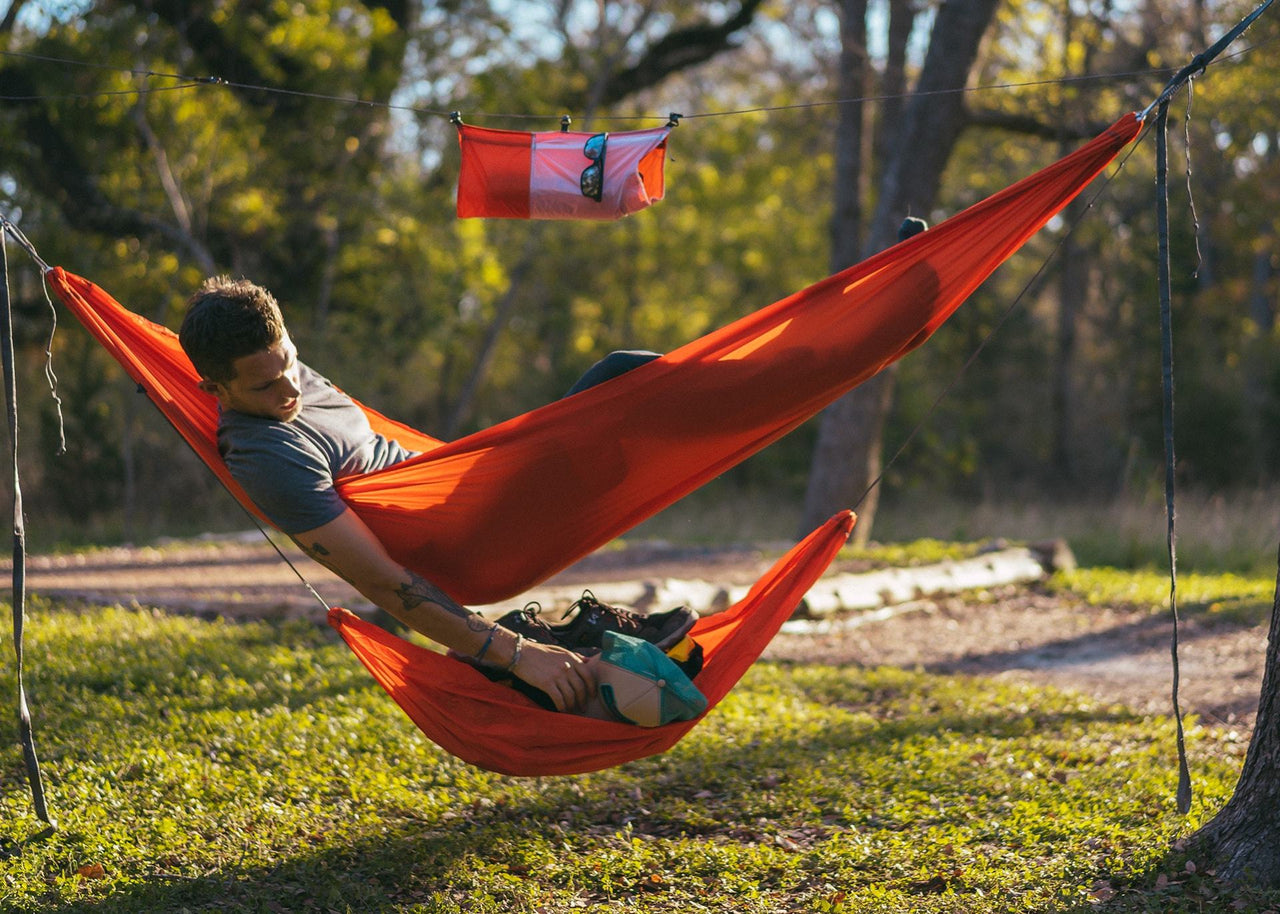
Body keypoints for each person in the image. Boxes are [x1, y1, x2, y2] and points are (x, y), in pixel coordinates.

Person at [177, 276, 693, 716]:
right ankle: (773, 378)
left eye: (289, 361)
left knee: (631, 386)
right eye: (265, 387)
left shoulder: (279, 371)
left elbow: (281, 374)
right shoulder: (268, 456)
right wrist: (514, 653)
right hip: (469, 531)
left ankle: (590, 656)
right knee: (625, 374)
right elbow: (380, 580)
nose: (289, 388)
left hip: (464, 479)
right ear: (214, 391)